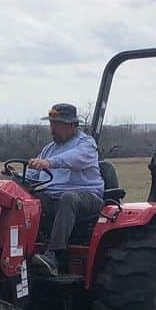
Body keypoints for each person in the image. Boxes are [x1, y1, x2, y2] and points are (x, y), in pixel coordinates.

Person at [27, 103, 104, 274]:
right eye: (51, 123)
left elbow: (74, 158)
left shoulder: (86, 145)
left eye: (57, 124)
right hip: (54, 198)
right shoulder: (49, 149)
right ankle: (22, 249)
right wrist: (16, 175)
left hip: (87, 198)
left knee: (69, 198)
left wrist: (49, 163)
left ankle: (55, 254)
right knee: (25, 200)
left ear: (72, 125)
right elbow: (33, 175)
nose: (52, 128)